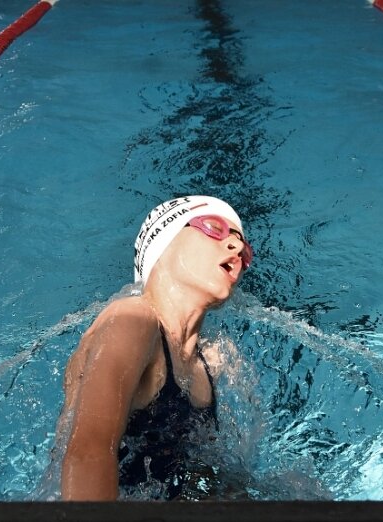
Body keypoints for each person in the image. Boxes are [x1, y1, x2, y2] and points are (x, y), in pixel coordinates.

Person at [59, 195, 253, 500]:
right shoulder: (132, 319)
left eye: (244, 245)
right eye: (215, 228)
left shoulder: (214, 360)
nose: (237, 248)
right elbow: (88, 453)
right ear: (163, 243)